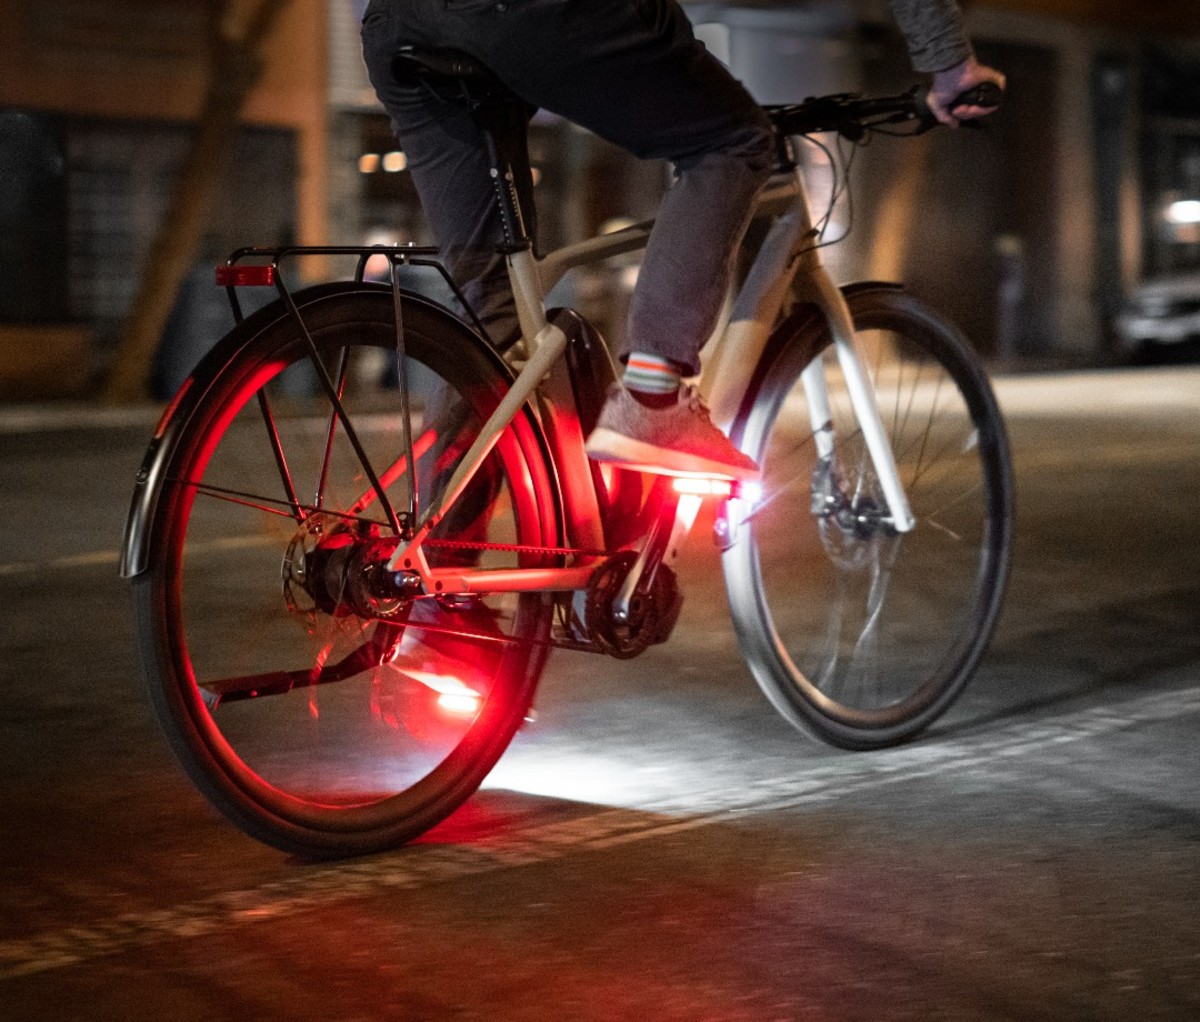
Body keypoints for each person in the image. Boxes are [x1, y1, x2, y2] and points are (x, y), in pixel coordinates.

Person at [357, 0, 1004, 482]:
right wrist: (949, 64)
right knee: (732, 139)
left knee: (489, 319)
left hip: (401, 23)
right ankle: (653, 395)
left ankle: (434, 602)